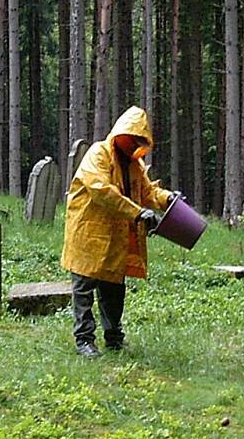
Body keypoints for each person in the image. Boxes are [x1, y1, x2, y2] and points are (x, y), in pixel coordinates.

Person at [61, 106, 176, 357]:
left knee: (113, 290)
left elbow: (148, 192)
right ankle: (84, 340)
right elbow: (101, 190)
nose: (137, 145)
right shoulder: (98, 154)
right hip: (89, 232)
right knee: (84, 288)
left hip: (116, 237)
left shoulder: (135, 164)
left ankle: (114, 337)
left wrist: (168, 199)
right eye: (134, 139)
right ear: (122, 134)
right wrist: (137, 213)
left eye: (141, 141)